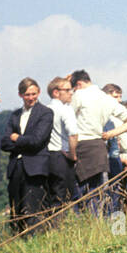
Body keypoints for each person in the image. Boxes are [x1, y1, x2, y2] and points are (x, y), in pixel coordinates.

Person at [68, 71, 127, 214]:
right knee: (94, 192)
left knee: (77, 192)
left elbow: (67, 119)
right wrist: (112, 134)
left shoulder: (79, 95)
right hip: (99, 146)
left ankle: (79, 227)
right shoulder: (107, 99)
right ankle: (93, 226)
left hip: (80, 145)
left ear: (78, 84)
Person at [1, 78, 54, 232]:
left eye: (34, 94)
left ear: (38, 93)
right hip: (16, 167)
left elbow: (37, 141)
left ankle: (35, 242)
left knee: (33, 209)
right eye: (27, 95)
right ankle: (18, 242)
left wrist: (17, 139)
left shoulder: (46, 113)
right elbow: (4, 142)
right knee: (16, 210)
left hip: (35, 167)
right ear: (20, 95)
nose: (31, 98)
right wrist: (24, 142)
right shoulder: (15, 115)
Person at [45, 76, 79, 215]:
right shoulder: (66, 109)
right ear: (56, 92)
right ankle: (59, 229)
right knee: (65, 198)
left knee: (51, 197)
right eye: (67, 90)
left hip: (47, 157)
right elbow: (73, 134)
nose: (71, 92)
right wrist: (72, 155)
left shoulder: (44, 109)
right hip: (62, 156)